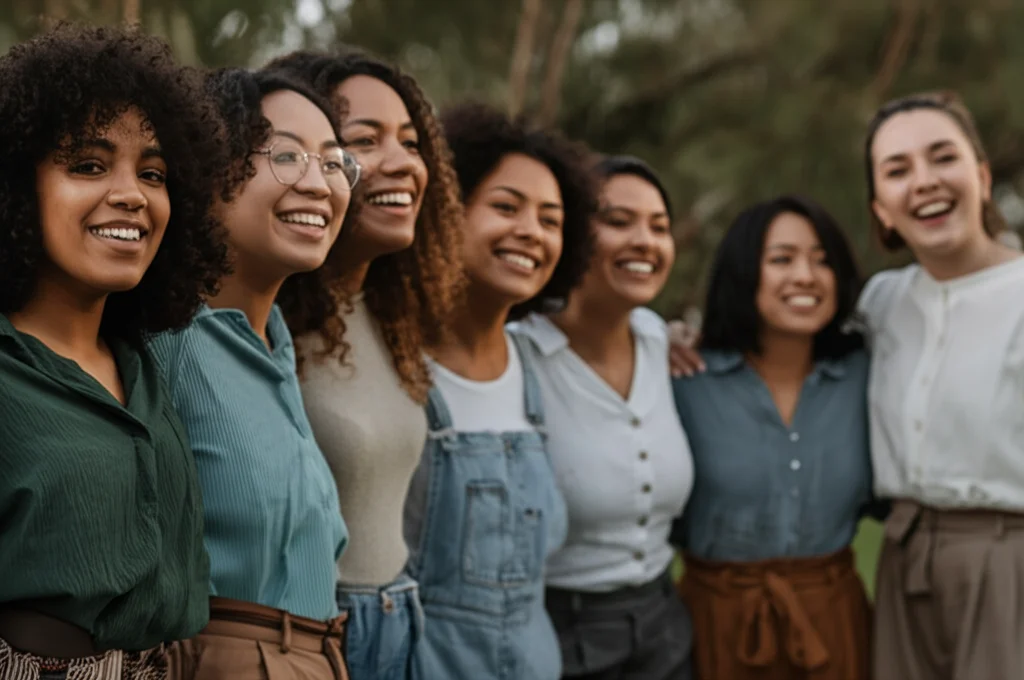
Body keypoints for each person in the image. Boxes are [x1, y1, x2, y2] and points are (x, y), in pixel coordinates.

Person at [0, 23, 230, 679]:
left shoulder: (147, 369)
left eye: (153, 173)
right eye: (88, 165)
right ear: (17, 187)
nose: (132, 193)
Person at [150, 67, 359, 680]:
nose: (319, 183)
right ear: (207, 167)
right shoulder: (166, 340)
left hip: (321, 654)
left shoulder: (278, 346)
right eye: (288, 156)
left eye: (332, 162)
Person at [267, 48, 464, 680]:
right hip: (313, 632)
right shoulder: (266, 317)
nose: (403, 163)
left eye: (410, 141)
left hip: (401, 623)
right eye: (365, 140)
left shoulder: (392, 315)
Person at [402, 101, 595, 679]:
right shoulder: (392, 360)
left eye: (551, 220)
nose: (530, 233)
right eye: (506, 207)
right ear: (446, 212)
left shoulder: (541, 362)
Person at [673, 196, 874, 680]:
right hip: (716, 626)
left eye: (822, 260)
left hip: (834, 624)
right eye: (781, 259)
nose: (805, 276)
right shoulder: (683, 380)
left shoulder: (868, 376)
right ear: (744, 272)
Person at [861, 90, 1024, 680]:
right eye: (898, 170)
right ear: (881, 208)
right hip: (903, 564)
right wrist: (672, 336)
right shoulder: (880, 302)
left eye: (942, 158)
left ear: (981, 176)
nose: (923, 181)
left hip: (1009, 562)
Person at [512, 156, 695, 679]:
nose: (645, 241)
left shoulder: (661, 340)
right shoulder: (518, 354)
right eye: (618, 221)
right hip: (560, 632)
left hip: (666, 627)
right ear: (569, 234)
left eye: (659, 227)